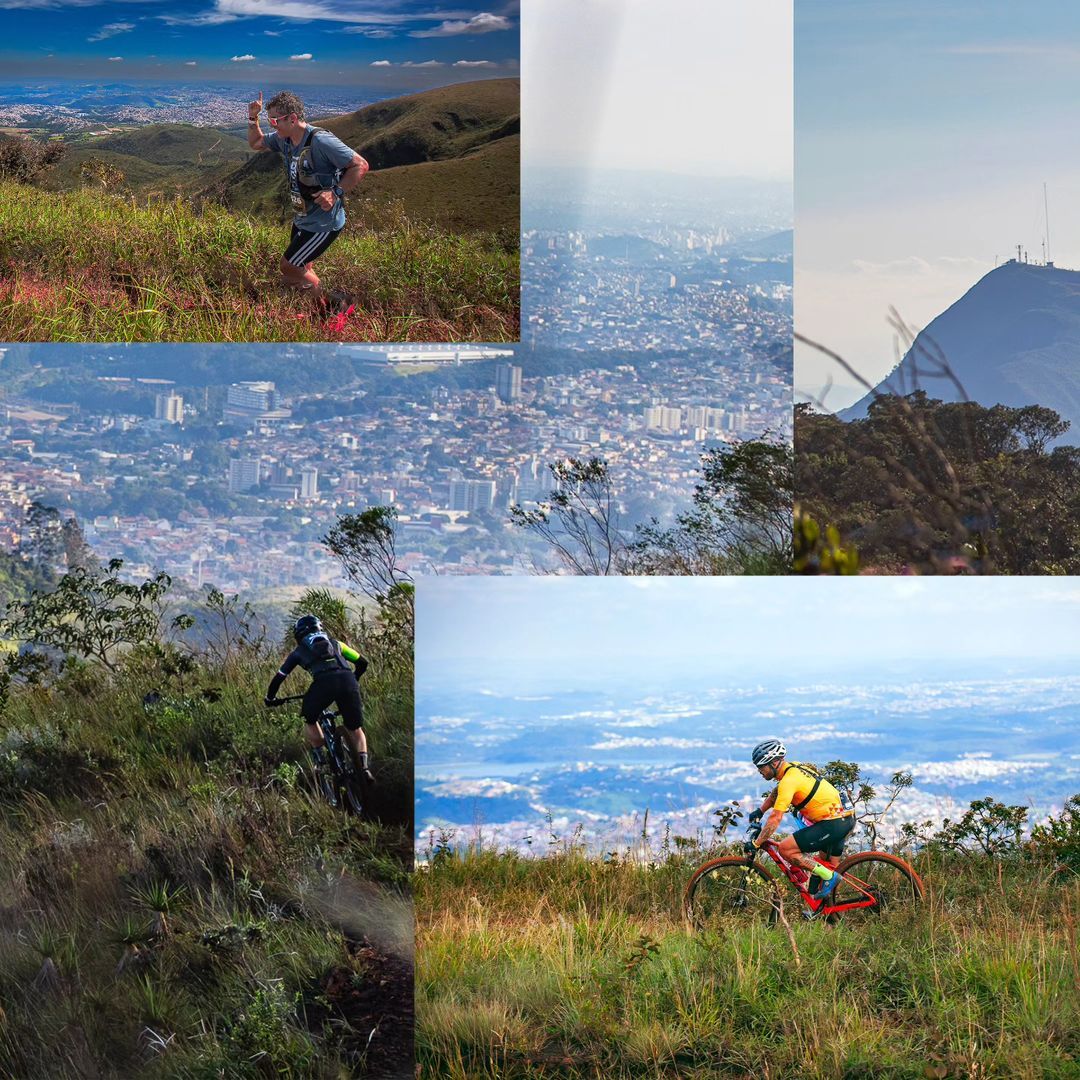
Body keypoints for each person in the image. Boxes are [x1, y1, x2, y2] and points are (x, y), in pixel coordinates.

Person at [246, 90, 369, 308]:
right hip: (303, 218)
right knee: (302, 267)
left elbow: (360, 165)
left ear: (292, 118)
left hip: (322, 223)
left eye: (275, 120)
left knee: (289, 267)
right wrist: (252, 118)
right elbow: (256, 143)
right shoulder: (284, 139)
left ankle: (334, 307)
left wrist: (335, 192)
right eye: (269, 119)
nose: (272, 124)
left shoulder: (320, 141)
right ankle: (317, 305)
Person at [265, 614, 375, 783]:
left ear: (299, 635)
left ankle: (321, 760)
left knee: (309, 718)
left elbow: (280, 676)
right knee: (355, 728)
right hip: (348, 680)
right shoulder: (336, 643)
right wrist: (353, 679)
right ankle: (364, 768)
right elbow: (363, 662)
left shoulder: (298, 651)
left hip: (323, 683)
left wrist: (270, 698)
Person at [747, 738, 854, 901]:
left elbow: (775, 819)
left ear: (774, 763)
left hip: (832, 824)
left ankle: (828, 878)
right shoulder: (793, 768)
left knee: (785, 849)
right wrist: (761, 810)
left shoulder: (789, 781)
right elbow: (777, 792)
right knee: (823, 868)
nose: (759, 771)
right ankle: (826, 913)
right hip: (843, 818)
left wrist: (756, 843)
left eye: (761, 766)